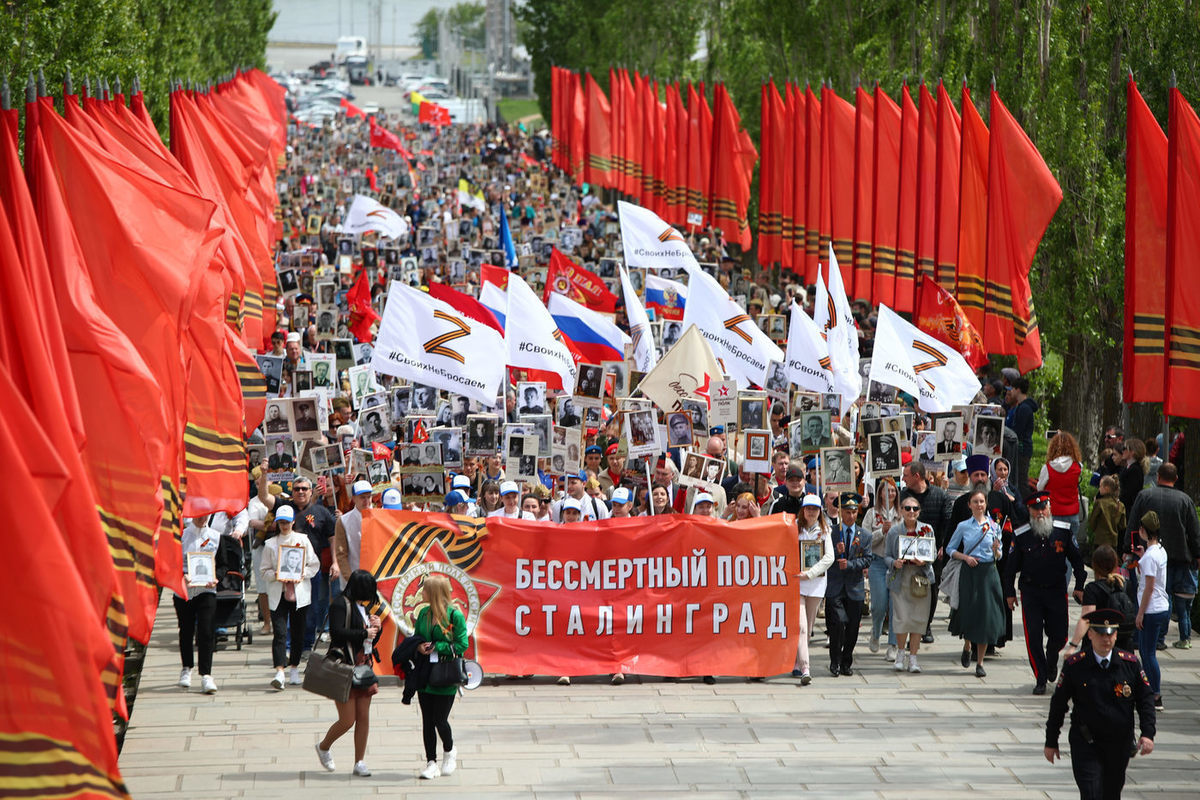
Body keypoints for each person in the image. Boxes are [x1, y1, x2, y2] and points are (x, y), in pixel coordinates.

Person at [1044, 609, 1156, 800]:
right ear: (1090, 634)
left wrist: (1147, 734)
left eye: (1111, 634)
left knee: (1111, 793)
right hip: (1087, 742)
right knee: (1091, 793)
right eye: (1102, 634)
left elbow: (1145, 700)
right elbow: (1059, 704)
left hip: (1119, 744)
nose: (1107, 639)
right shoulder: (1075, 665)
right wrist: (1051, 741)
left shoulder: (1129, 664)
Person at [1004, 492, 1087, 694]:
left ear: (1049, 508)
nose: (1040, 513)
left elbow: (1077, 561)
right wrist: (1009, 593)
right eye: (1036, 509)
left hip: (1056, 591)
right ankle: (1040, 677)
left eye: (1044, 508)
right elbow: (1010, 567)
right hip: (1031, 592)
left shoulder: (1063, 531)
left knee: (1059, 635)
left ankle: (1051, 660)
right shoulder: (1021, 534)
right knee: (1033, 635)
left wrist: (1080, 585)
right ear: (1030, 512)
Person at [1124, 463, 1200, 649]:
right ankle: (1161, 636)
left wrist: (1128, 548)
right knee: (1166, 598)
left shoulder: (1144, 496)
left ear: (1158, 477)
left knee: (1151, 593)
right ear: (1176, 479)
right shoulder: (1185, 500)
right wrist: (1197, 554)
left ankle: (1150, 634)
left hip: (1148, 554)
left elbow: (1133, 522)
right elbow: (1194, 530)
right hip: (1179, 556)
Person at [315, 570, 382, 777]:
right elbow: (336, 633)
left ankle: (359, 761)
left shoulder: (362, 607)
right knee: (347, 719)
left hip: (363, 667)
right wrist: (364, 632)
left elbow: (368, 642)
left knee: (363, 717)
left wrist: (375, 630)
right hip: (344, 667)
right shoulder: (340, 604)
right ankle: (324, 746)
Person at [414, 573, 469, 779]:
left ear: (434, 593)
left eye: (425, 589)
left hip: (446, 674)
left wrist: (438, 646)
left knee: (440, 719)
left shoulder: (455, 616)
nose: (422, 593)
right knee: (427, 720)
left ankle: (449, 749)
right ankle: (430, 762)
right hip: (425, 673)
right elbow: (417, 636)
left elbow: (462, 644)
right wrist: (419, 646)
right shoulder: (423, 614)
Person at [946, 488, 1005, 677]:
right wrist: (965, 557)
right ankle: (967, 644)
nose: (979, 505)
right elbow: (950, 548)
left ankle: (979, 663)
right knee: (970, 612)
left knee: (986, 617)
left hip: (988, 573)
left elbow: (999, 554)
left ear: (986, 504)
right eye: (975, 502)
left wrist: (997, 550)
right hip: (969, 572)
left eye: (982, 502)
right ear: (969, 505)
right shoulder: (964, 526)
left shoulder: (994, 526)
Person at [262, 505, 320, 689]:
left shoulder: (302, 540)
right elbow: (263, 571)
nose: (284, 526)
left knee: (298, 631)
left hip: (299, 593)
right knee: (279, 632)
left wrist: (301, 573)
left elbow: (314, 564)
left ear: (293, 522)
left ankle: (294, 667)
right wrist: (277, 575)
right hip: (278, 593)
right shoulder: (270, 544)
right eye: (281, 523)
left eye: (287, 522)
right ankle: (279, 670)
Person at [900, 461, 954, 643]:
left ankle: (926, 626)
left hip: (932, 553)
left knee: (930, 589)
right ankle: (909, 626)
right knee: (908, 591)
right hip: (906, 552)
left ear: (917, 476)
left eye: (906, 475)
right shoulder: (903, 496)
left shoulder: (940, 496)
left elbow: (947, 521)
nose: (903, 479)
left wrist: (942, 545)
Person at [884, 501, 936, 673]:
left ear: (919, 511)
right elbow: (886, 556)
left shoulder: (927, 529)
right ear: (901, 510)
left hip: (920, 579)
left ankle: (913, 658)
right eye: (907, 508)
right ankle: (900, 654)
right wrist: (894, 563)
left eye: (915, 508)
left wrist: (925, 560)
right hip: (901, 579)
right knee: (901, 618)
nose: (911, 511)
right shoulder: (894, 531)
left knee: (918, 619)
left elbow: (933, 554)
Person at [826, 493, 871, 677]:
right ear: (841, 512)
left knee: (852, 628)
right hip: (835, 585)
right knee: (838, 624)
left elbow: (868, 559)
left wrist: (851, 564)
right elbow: (824, 556)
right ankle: (834, 661)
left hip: (854, 587)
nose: (850, 516)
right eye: (846, 512)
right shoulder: (831, 532)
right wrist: (836, 554)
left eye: (853, 512)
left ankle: (846, 661)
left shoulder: (865, 535)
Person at [176, 517, 221, 694]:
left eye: (206, 515)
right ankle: (186, 667)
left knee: (206, 630)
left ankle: (206, 674)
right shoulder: (181, 536)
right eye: (199, 515)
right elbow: (171, 561)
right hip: (184, 589)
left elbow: (224, 564)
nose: (202, 518)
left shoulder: (216, 537)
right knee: (186, 629)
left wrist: (217, 578)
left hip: (207, 590)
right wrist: (182, 575)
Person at [1065, 545, 1138, 655]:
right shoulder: (1126, 585)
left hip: (1098, 644)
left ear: (1095, 565)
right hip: (1123, 644)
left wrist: (1072, 646)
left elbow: (1086, 619)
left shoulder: (1092, 589)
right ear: (1115, 564)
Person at [793, 494, 835, 683]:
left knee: (808, 627)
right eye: (808, 508)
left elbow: (829, 557)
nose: (811, 512)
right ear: (803, 509)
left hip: (816, 584)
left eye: (815, 509)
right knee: (800, 626)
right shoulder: (793, 527)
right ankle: (805, 668)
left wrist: (810, 573)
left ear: (820, 511)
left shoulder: (825, 531)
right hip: (797, 583)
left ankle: (796, 662)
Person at [1133, 511, 1169, 708]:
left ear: (1144, 531)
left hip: (1151, 609)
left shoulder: (1149, 557)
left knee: (1147, 653)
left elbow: (1148, 586)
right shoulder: (1159, 551)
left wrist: (1140, 613)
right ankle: (1153, 691)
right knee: (1149, 652)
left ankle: (1154, 694)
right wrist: (1142, 556)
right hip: (1161, 606)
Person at [863, 477, 902, 659]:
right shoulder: (872, 513)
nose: (890, 493)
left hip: (896, 564)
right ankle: (876, 631)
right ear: (879, 493)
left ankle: (893, 645)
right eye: (886, 490)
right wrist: (881, 532)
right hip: (877, 563)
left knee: (895, 606)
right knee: (879, 605)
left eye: (893, 490)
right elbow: (865, 540)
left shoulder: (901, 514)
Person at [1037, 431, 1085, 548]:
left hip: (1053, 513)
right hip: (1072, 513)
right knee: (1070, 551)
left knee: (1053, 550)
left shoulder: (1047, 468)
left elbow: (1040, 488)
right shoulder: (1078, 466)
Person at [334, 481, 373, 581]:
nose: (366, 501)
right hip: (354, 576)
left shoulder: (381, 517)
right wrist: (350, 578)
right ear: (354, 498)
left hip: (379, 577)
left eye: (369, 497)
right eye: (362, 497)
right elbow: (341, 553)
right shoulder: (343, 521)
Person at [1087, 475, 1125, 552]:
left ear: (1106, 488)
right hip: (1113, 543)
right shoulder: (1121, 505)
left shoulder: (1100, 503)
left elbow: (1092, 522)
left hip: (1100, 541)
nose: (1099, 488)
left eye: (1100, 486)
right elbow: (1122, 525)